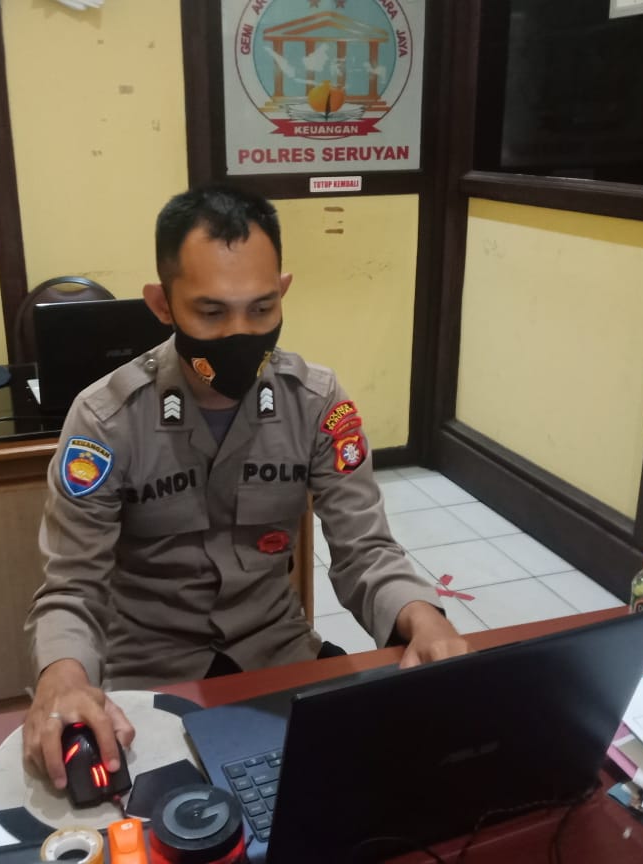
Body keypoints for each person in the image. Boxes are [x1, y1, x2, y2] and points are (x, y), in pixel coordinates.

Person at [23, 184, 468, 790]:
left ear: (283, 291)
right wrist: (63, 676)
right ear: (161, 304)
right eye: (211, 312)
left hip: (278, 654)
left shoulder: (314, 402)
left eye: (261, 309)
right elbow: (73, 586)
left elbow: (365, 550)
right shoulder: (106, 419)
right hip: (150, 674)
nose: (240, 332)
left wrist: (425, 619)